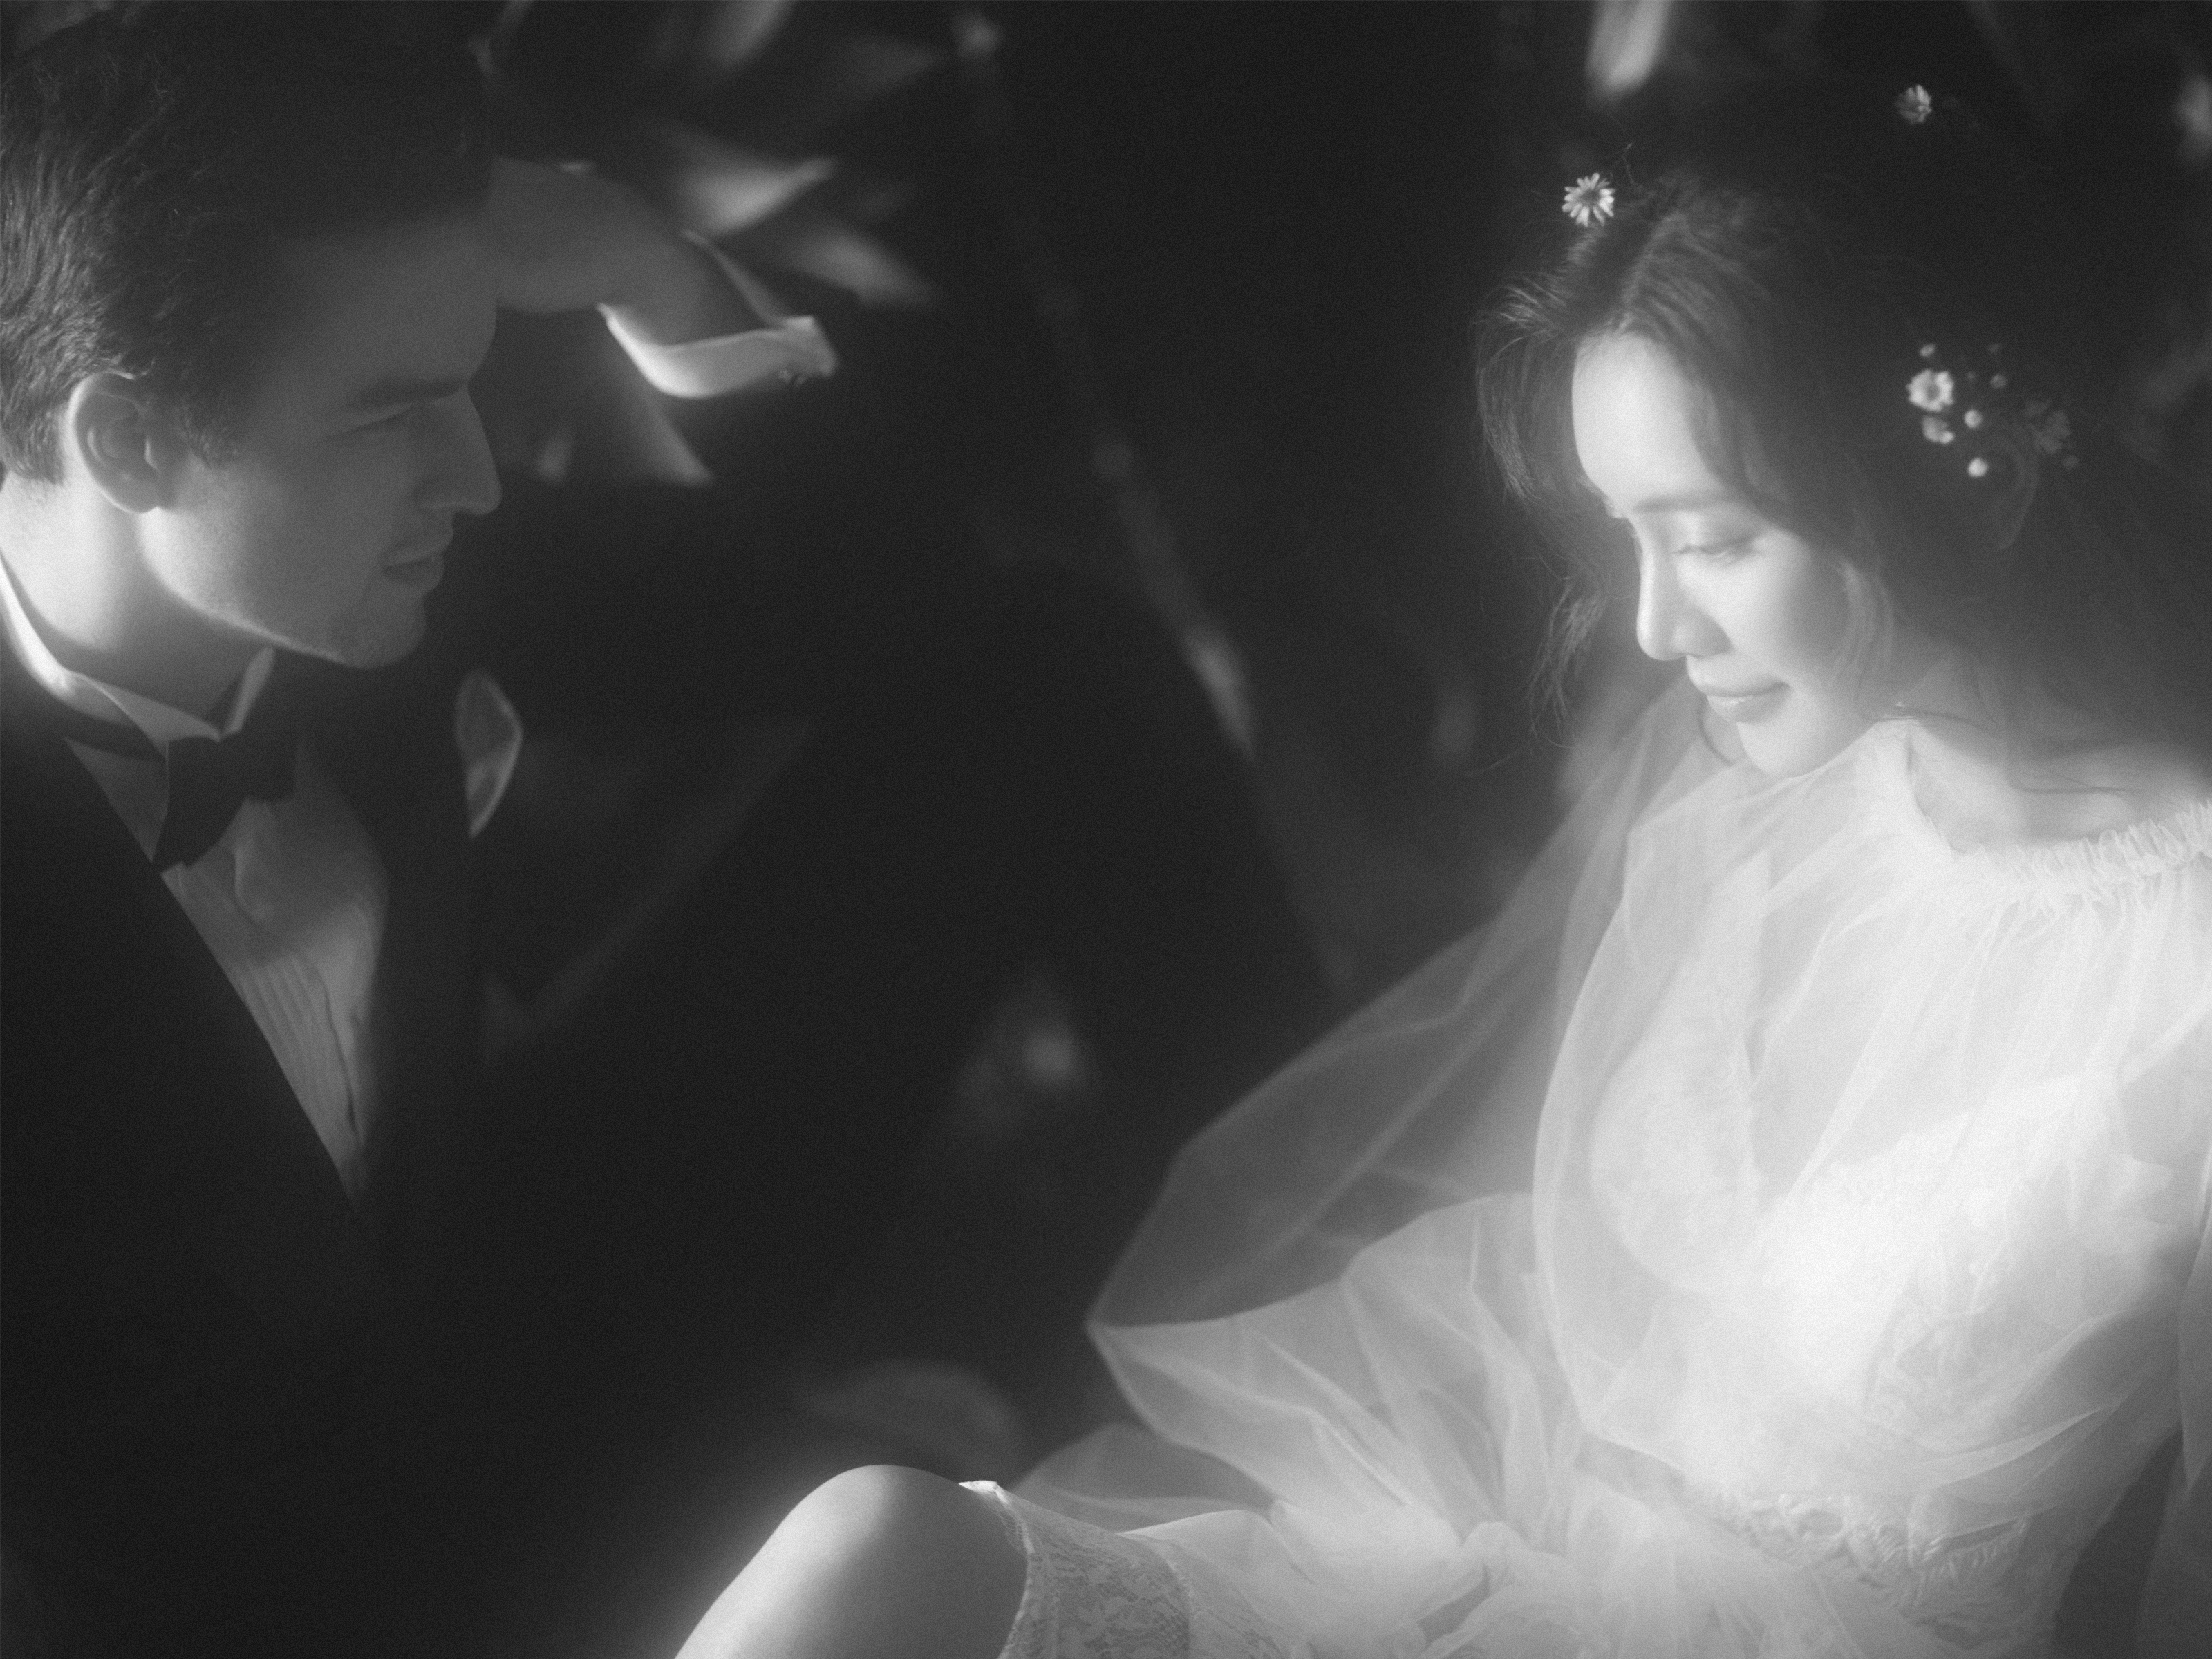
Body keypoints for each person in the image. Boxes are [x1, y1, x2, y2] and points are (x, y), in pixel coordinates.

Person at [668, 82, 2212, 1659]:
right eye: (1625, 536)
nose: (1655, 628)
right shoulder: (1766, 798)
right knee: (878, 1542)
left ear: (1973, 474)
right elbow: (1564, 1333)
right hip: (1516, 1581)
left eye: (1715, 539)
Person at [0, 8, 1327, 1655]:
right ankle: (839, 1448)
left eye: (469, 384)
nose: (476, 476)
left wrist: (655, 273)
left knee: (1059, 681)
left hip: (526, 1295)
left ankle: (1324, 1357)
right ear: (126, 440)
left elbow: (907, 612)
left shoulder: (361, 560)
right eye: (392, 412)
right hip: (282, 1592)